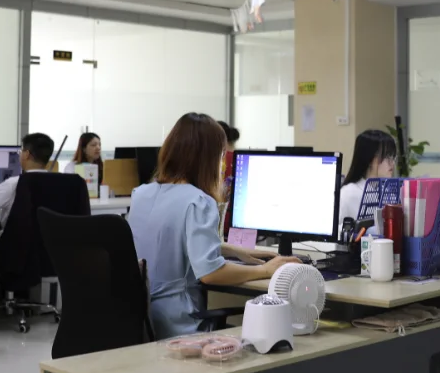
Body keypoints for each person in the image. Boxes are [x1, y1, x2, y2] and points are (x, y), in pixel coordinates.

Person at [128, 113, 298, 337]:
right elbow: (211, 273)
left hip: (143, 320)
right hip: (181, 325)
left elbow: (167, 241)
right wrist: (265, 270)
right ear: (209, 159)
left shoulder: (141, 194)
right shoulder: (198, 201)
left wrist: (233, 250)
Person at [0, 133, 54, 260]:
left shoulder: (14, 183)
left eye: (21, 152)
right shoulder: (60, 184)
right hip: (50, 253)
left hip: (16, 252)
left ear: (26, 154)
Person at [338, 129, 398, 225]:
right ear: (370, 159)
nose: (392, 163)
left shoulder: (388, 192)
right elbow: (335, 230)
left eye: (393, 157)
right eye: (387, 157)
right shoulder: (347, 193)